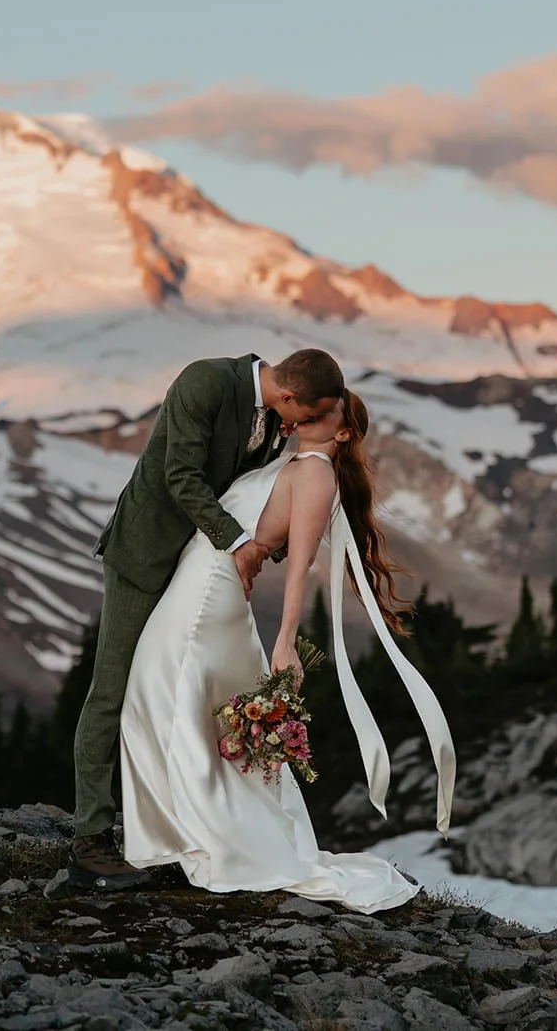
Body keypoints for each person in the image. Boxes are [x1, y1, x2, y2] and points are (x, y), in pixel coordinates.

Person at [119, 391, 456, 913]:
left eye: (326, 414)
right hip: (200, 581)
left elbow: (300, 565)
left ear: (342, 433)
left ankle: (201, 839)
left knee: (161, 696)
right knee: (175, 706)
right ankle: (189, 832)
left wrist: (285, 641)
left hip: (210, 594)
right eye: (311, 408)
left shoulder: (318, 475)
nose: (310, 417)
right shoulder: (288, 459)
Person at [69, 350, 345, 892]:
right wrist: (239, 545)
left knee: (177, 691)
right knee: (113, 690)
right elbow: (182, 477)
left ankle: (179, 825)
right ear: (287, 396)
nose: (296, 430)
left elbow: (246, 494)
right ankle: (90, 838)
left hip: (195, 564)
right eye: (300, 418)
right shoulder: (205, 382)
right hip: (146, 557)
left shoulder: (273, 420)